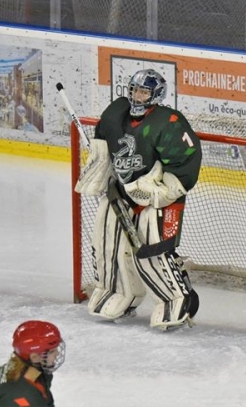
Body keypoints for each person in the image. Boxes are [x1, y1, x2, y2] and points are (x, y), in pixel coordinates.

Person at [75, 68, 202, 330]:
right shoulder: (116, 114)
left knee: (152, 249)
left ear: (156, 95)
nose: (137, 96)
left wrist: (163, 192)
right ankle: (118, 291)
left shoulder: (168, 122)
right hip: (121, 192)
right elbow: (103, 145)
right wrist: (100, 167)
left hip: (155, 196)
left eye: (144, 91)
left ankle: (175, 298)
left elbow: (186, 159)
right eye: (134, 90)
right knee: (106, 240)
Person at [0, 320, 65, 407]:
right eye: (52, 351)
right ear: (34, 357)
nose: (57, 354)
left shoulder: (16, 369)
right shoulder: (23, 399)